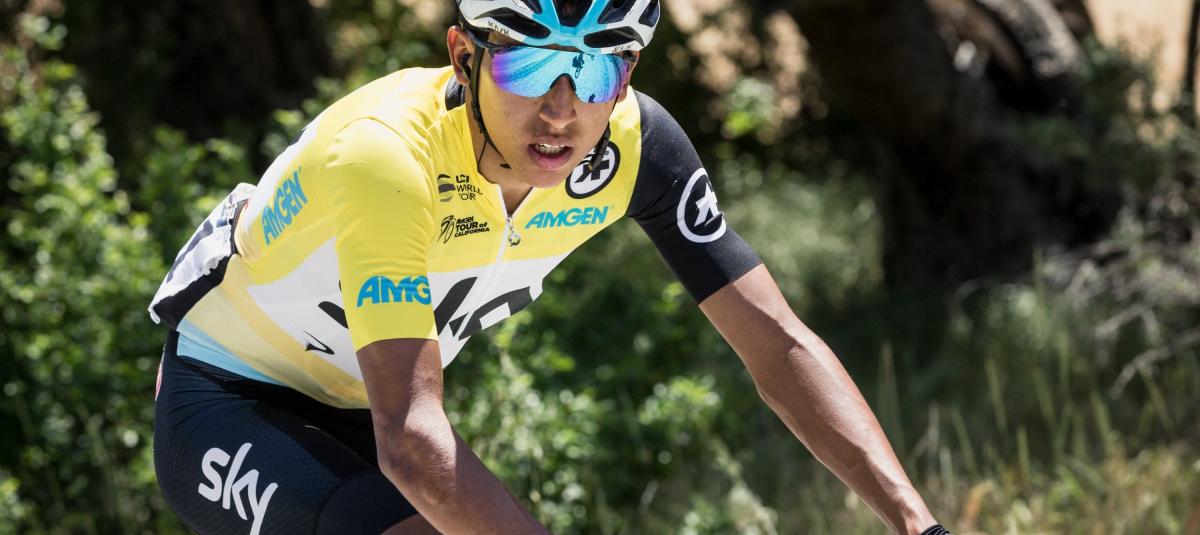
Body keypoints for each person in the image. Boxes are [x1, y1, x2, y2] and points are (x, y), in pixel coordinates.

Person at [148, 1, 952, 533]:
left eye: (597, 70)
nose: (562, 109)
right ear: (462, 55)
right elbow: (414, 440)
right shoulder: (387, 156)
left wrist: (920, 523)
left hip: (369, 409)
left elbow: (776, 341)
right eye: (529, 67)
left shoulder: (635, 146)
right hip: (232, 399)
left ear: (628, 77)